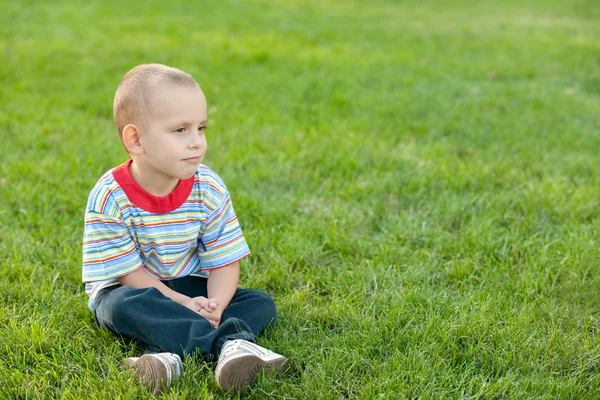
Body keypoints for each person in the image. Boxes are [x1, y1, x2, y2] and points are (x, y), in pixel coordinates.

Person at [82, 63, 288, 395]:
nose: (197, 143)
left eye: (201, 128)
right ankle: (232, 345)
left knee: (260, 303)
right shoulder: (110, 196)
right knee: (122, 307)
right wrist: (179, 301)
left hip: (191, 285)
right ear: (136, 139)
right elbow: (129, 274)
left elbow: (223, 262)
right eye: (181, 130)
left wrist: (217, 303)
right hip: (130, 289)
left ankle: (164, 356)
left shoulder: (208, 187)